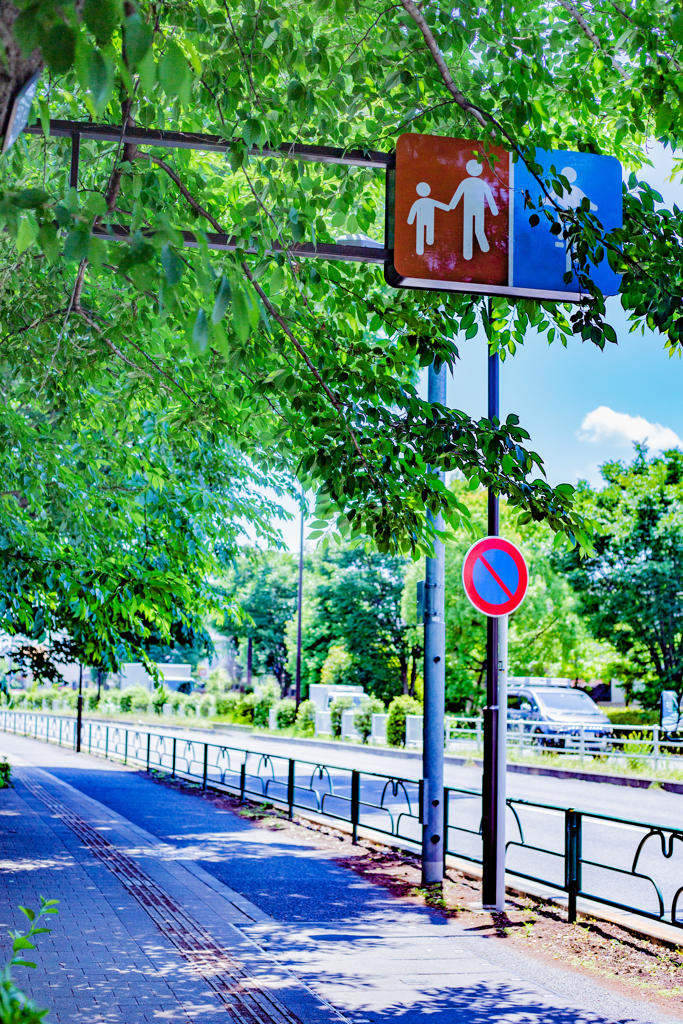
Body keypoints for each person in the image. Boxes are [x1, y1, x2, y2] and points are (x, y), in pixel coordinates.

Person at [543, 166, 597, 273]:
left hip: (575, 218)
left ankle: (576, 256)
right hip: (562, 216)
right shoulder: (558, 189)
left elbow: (586, 200)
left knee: (577, 235)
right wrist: (543, 201)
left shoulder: (576, 190)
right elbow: (549, 198)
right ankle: (559, 237)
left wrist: (594, 207)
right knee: (561, 224)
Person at [449, 159, 499, 260]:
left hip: (472, 209)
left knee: (469, 229)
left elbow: (489, 196)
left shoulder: (469, 182)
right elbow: (489, 196)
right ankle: (481, 248)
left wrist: (452, 205)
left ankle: (474, 251)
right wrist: (494, 210)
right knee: (477, 228)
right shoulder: (480, 183)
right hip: (475, 209)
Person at [407, 182, 450, 255]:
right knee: (422, 233)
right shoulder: (425, 201)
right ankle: (423, 248)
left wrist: (410, 220)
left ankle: (428, 247)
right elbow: (413, 211)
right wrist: (448, 207)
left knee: (425, 233)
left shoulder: (419, 202)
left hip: (426, 220)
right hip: (425, 220)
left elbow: (441, 206)